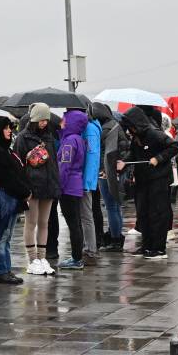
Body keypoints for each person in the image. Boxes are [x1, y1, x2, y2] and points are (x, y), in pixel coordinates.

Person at [118, 107, 178, 259]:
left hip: (158, 179)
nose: (129, 130)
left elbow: (174, 146)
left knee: (157, 213)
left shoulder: (153, 133)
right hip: (143, 179)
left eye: (131, 126)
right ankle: (146, 246)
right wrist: (124, 163)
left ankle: (158, 248)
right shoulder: (136, 137)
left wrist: (158, 158)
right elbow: (133, 153)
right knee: (143, 213)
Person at [14, 103, 61, 276]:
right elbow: (18, 165)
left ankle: (42, 258)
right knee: (31, 222)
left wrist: (56, 184)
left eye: (46, 120)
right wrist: (24, 189)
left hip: (48, 186)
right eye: (41, 119)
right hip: (32, 187)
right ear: (34, 119)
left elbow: (54, 163)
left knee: (44, 222)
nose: (44, 123)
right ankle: (32, 259)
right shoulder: (22, 138)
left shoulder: (49, 136)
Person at [0, 115, 30, 284]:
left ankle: (5, 269)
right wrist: (24, 191)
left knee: (7, 236)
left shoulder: (6, 149)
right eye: (5, 128)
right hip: (4, 198)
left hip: (13, 198)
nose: (9, 131)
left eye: (9, 127)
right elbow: (7, 177)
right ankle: (1, 271)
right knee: (1, 236)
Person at [91, 103, 125, 251]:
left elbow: (101, 153)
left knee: (110, 206)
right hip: (117, 170)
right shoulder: (116, 125)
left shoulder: (103, 130)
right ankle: (117, 235)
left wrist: (100, 169)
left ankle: (115, 240)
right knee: (116, 206)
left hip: (105, 171)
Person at [56, 110, 87, 270]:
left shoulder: (69, 141)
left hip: (68, 187)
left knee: (73, 224)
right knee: (76, 223)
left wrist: (59, 186)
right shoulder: (79, 139)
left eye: (64, 120)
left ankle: (76, 258)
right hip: (76, 185)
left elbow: (64, 166)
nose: (61, 122)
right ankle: (77, 256)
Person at [74, 99, 102, 264]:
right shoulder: (92, 127)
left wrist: (86, 182)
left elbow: (91, 157)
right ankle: (89, 247)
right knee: (86, 215)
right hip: (86, 179)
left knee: (86, 215)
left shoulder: (90, 130)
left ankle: (90, 249)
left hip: (85, 181)